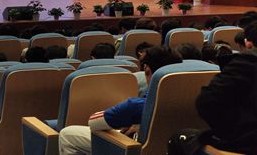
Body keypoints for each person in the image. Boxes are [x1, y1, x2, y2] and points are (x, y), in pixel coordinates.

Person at [58, 46, 182, 154]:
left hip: (133, 149)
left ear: (146, 69)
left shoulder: (136, 106)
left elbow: (93, 122)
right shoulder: (189, 100)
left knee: (68, 134)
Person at [196, 22, 257, 154]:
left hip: (246, 144)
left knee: (180, 138)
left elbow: (206, 103)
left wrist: (233, 131)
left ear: (248, 44)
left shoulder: (246, 63)